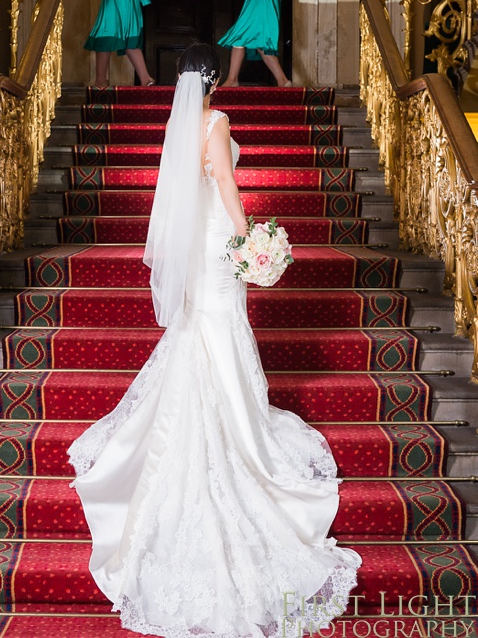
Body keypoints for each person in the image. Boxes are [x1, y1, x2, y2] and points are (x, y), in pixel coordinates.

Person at [68, 42, 360, 637]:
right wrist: (247, 234)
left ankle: (210, 426)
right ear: (212, 82)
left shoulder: (179, 124)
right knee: (222, 333)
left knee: (200, 335)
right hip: (216, 245)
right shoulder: (218, 119)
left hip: (194, 250)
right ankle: (238, 434)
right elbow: (225, 181)